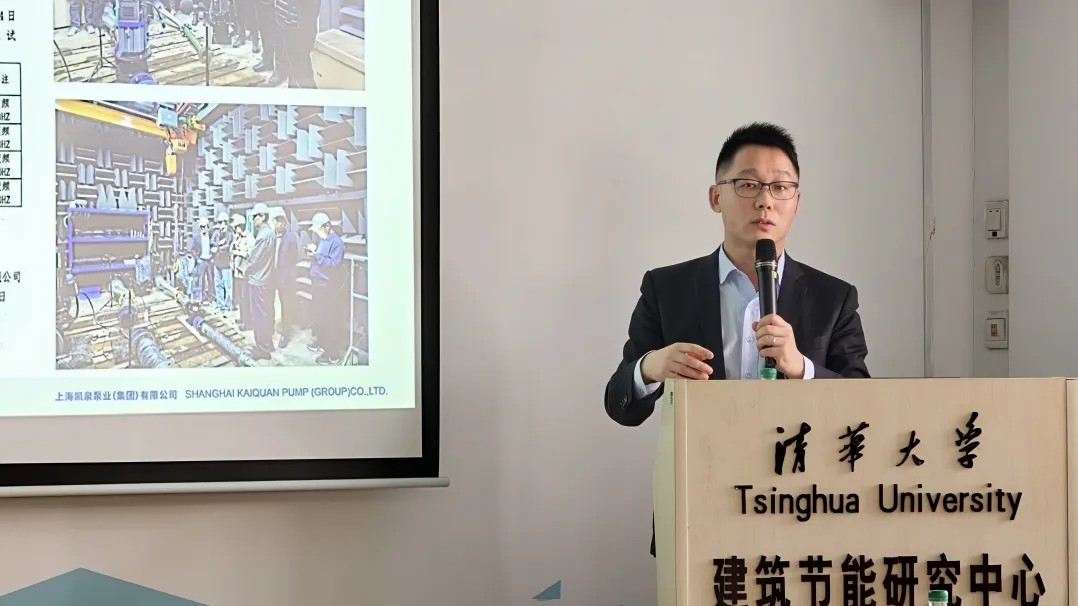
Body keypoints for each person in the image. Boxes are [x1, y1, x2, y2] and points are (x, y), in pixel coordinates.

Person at [603, 122, 871, 553]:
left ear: (796, 202)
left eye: (780, 187)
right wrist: (649, 369)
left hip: (804, 513)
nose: (765, 200)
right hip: (698, 513)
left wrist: (801, 368)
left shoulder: (833, 298)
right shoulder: (667, 288)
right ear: (716, 197)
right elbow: (620, 407)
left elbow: (864, 410)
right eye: (748, 184)